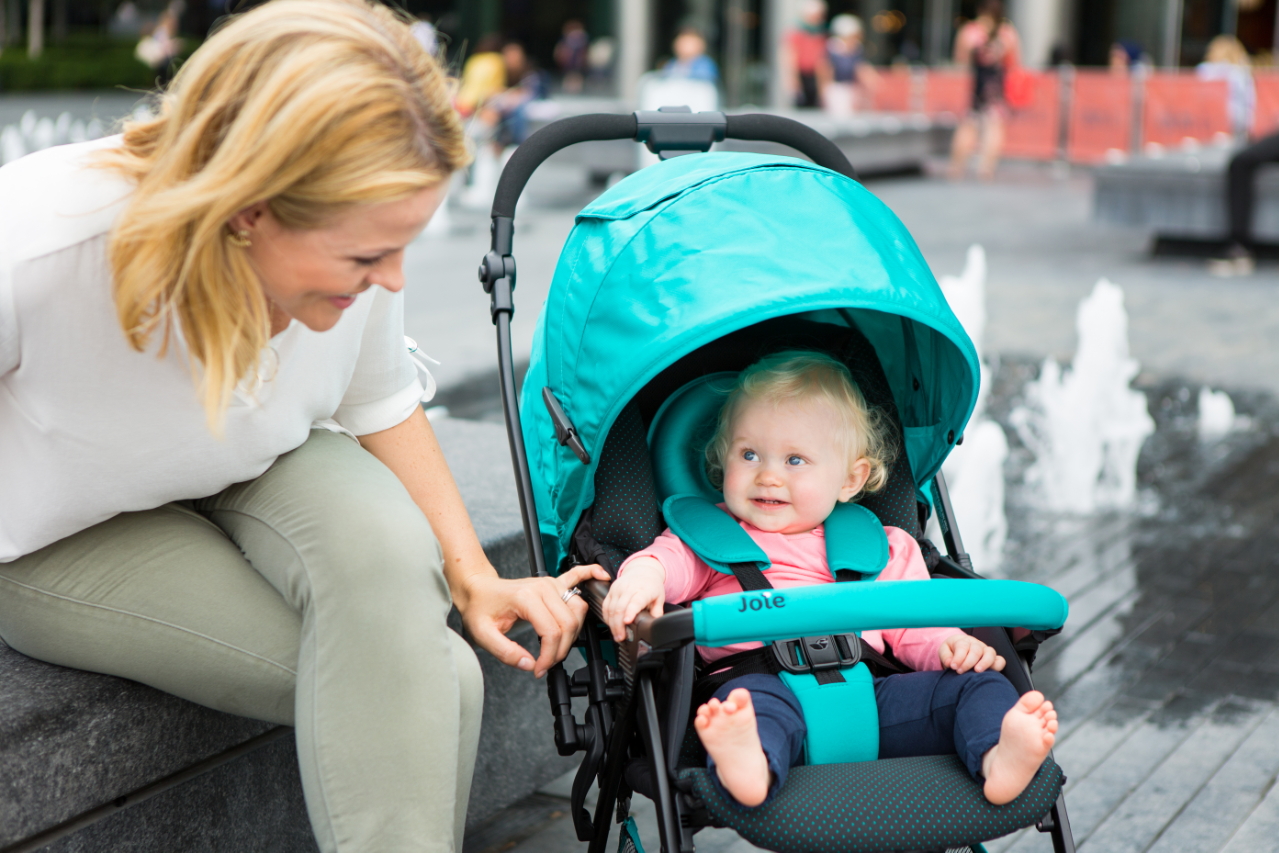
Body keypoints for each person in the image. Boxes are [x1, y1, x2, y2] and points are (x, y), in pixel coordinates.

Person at [0, 2, 607, 852]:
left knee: (393, 572)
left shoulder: (361, 241)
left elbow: (379, 400)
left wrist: (472, 575)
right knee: (433, 688)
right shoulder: (38, 240)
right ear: (250, 208)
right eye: (366, 258)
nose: (393, 278)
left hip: (263, 462)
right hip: (64, 530)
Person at [600, 352, 1057, 809]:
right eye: (749, 454)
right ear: (722, 460)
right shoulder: (709, 539)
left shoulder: (883, 547)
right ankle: (749, 764)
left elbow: (913, 625)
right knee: (743, 710)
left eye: (795, 459)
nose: (768, 474)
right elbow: (665, 563)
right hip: (763, 682)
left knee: (979, 684)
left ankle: (1000, 754)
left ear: (850, 479)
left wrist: (947, 646)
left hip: (874, 698)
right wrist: (644, 575)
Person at [948, 0, 1020, 180]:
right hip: (996, 87)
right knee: (994, 126)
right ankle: (986, 169)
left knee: (968, 126)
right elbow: (1015, 61)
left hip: (975, 86)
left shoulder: (969, 32)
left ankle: (956, 167)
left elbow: (960, 61)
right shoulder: (1006, 32)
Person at [822, 14, 877, 117]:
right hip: (837, 88)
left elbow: (860, 67)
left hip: (851, 88)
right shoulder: (832, 47)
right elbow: (825, 69)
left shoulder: (857, 48)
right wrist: (824, 90)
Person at [782, 0, 829, 108]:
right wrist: (793, 79)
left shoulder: (820, 34)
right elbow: (790, 58)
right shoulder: (795, 32)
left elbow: (822, 60)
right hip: (800, 75)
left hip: (815, 76)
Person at [454, 33, 507, 118]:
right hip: (478, 105)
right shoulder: (498, 60)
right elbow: (495, 89)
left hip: (461, 102)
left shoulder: (473, 59)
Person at [554, 19, 590, 93]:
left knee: (577, 80)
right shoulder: (565, 41)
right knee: (569, 81)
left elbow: (585, 53)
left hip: (578, 66)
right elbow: (559, 52)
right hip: (568, 66)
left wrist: (584, 61)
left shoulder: (583, 41)